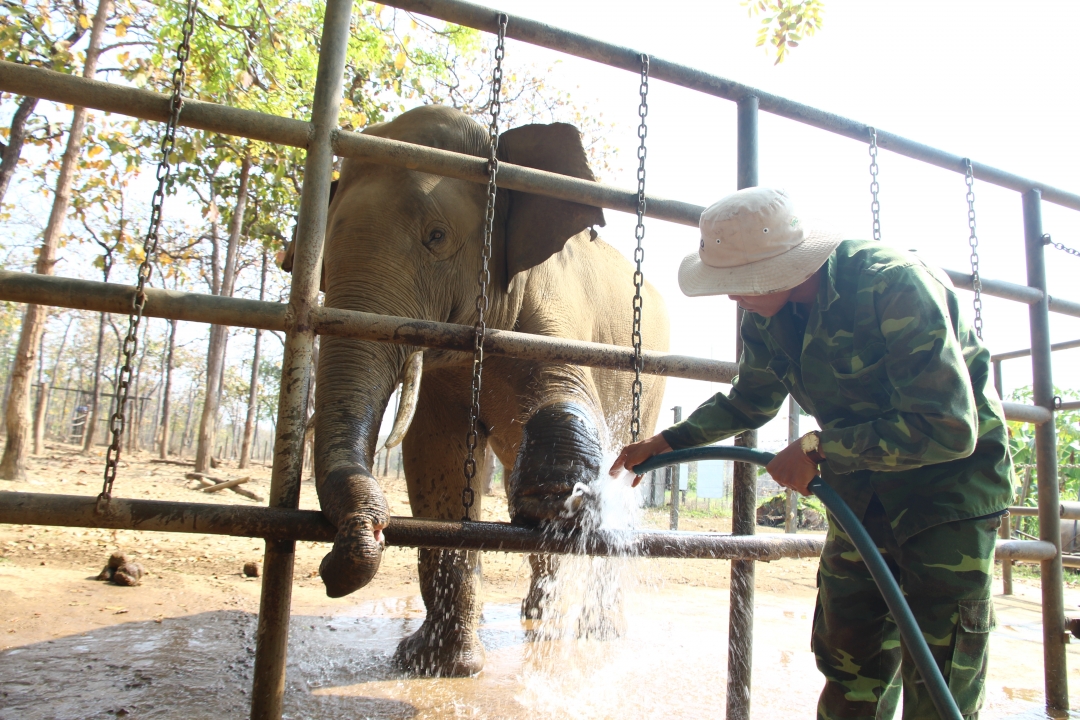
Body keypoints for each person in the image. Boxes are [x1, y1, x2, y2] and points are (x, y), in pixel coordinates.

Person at [610, 187, 1012, 720]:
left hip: (945, 500)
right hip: (858, 494)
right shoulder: (765, 311)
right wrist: (664, 443)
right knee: (849, 658)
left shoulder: (892, 284)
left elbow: (948, 427)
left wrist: (819, 447)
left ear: (787, 267)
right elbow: (751, 399)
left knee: (938, 675)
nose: (733, 297)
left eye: (739, 283)